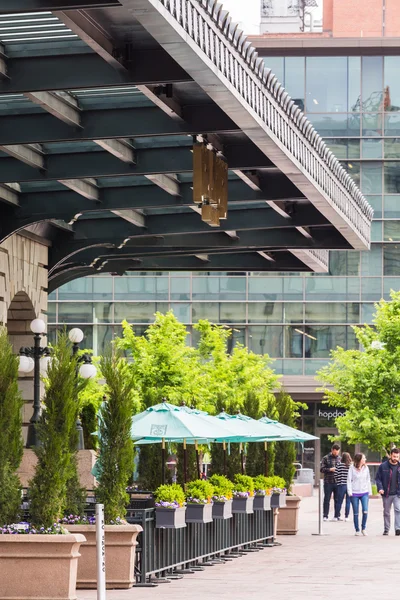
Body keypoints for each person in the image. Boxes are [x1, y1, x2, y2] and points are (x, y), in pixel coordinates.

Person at [375, 447, 400, 536]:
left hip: (397, 494)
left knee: (398, 510)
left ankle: (398, 528)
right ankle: (386, 529)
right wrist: (380, 488)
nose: (395, 459)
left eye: (397, 457)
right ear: (390, 455)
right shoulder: (383, 466)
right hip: (386, 493)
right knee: (386, 512)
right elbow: (378, 479)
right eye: (394, 456)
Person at [347, 453, 372, 536]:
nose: (365, 459)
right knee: (356, 512)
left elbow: (368, 479)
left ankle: (363, 528)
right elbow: (349, 480)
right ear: (359, 460)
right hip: (354, 493)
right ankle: (357, 529)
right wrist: (349, 491)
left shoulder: (366, 468)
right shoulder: (351, 468)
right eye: (364, 458)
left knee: (365, 510)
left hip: (364, 492)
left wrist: (369, 491)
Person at [320, 443, 341, 521]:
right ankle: (325, 515)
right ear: (332, 450)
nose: (336, 453)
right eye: (335, 451)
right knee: (327, 499)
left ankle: (337, 515)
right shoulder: (325, 458)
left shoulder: (340, 458)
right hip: (328, 481)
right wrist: (329, 469)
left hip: (337, 481)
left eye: (338, 451)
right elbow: (321, 469)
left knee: (337, 499)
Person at [334, 451, 352, 521]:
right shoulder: (351, 466)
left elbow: (335, 474)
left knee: (339, 501)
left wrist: (338, 480)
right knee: (348, 501)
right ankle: (346, 516)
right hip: (349, 486)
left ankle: (336, 516)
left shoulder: (339, 465)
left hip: (341, 485)